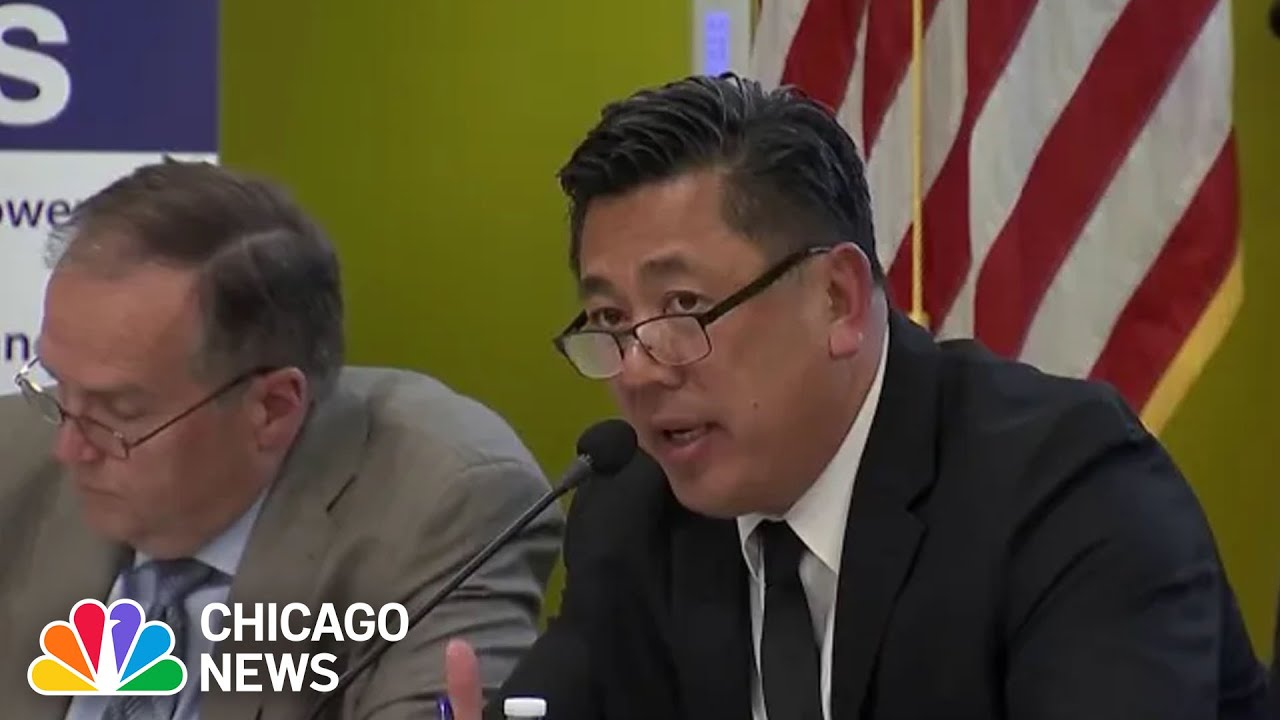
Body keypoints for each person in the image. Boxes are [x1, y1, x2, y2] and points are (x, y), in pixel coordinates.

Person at [440, 73, 1270, 720]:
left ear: (837, 300)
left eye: (684, 307)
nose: (639, 369)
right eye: (610, 320)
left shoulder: (1066, 489)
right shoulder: (632, 514)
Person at [0, 160, 564, 720]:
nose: (68, 448)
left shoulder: (441, 508)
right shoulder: (14, 457)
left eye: (120, 412)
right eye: (59, 387)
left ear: (271, 409)